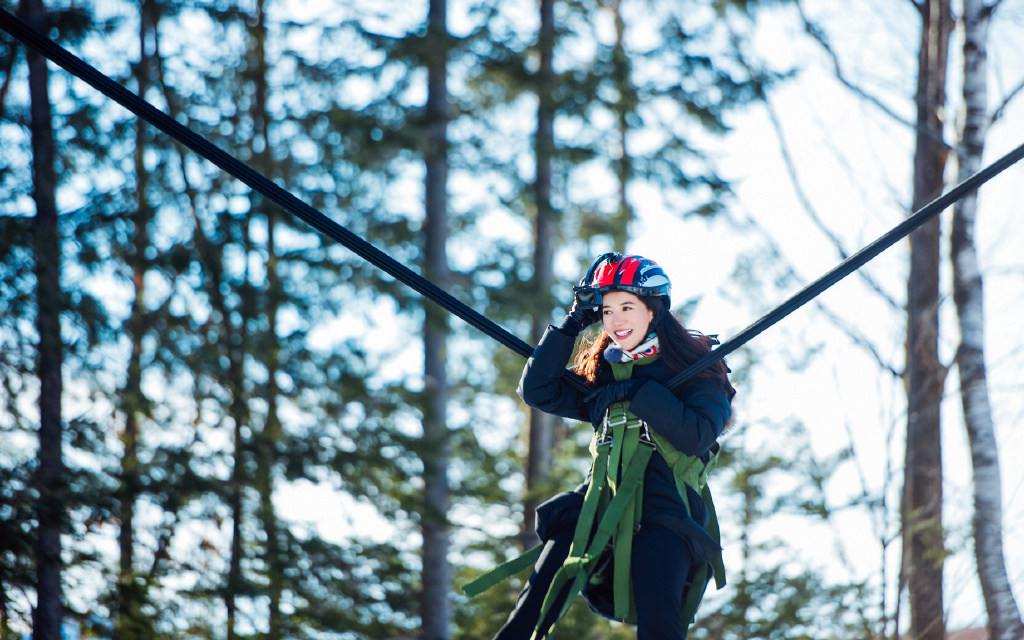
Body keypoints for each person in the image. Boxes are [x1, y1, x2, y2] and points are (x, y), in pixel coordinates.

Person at [464, 252, 735, 640]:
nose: (616, 320)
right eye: (607, 311)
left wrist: (642, 391)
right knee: (536, 595)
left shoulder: (697, 368)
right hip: (598, 502)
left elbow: (697, 434)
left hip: (666, 508)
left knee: (660, 623)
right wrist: (574, 322)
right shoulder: (604, 374)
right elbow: (537, 390)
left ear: (653, 311)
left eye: (627, 307)